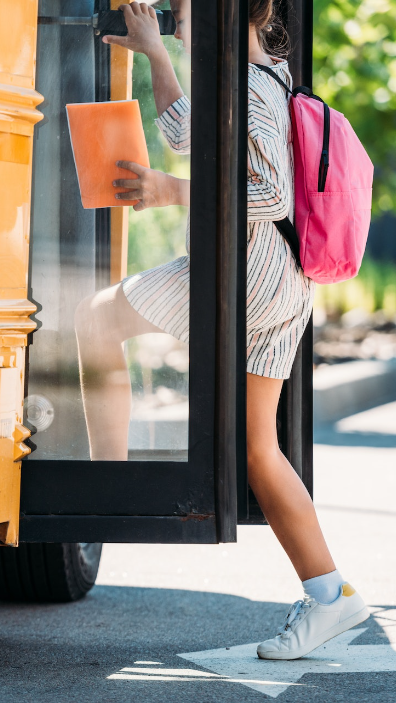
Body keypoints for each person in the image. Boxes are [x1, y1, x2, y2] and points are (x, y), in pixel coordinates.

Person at [74, 0, 369, 660]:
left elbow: (266, 194)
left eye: (186, 2)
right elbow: (189, 133)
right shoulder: (266, 72)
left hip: (251, 270)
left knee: (94, 320)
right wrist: (156, 51)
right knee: (261, 451)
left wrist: (165, 190)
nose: (178, 7)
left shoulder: (248, 83)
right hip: (288, 280)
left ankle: (110, 486)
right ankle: (332, 596)